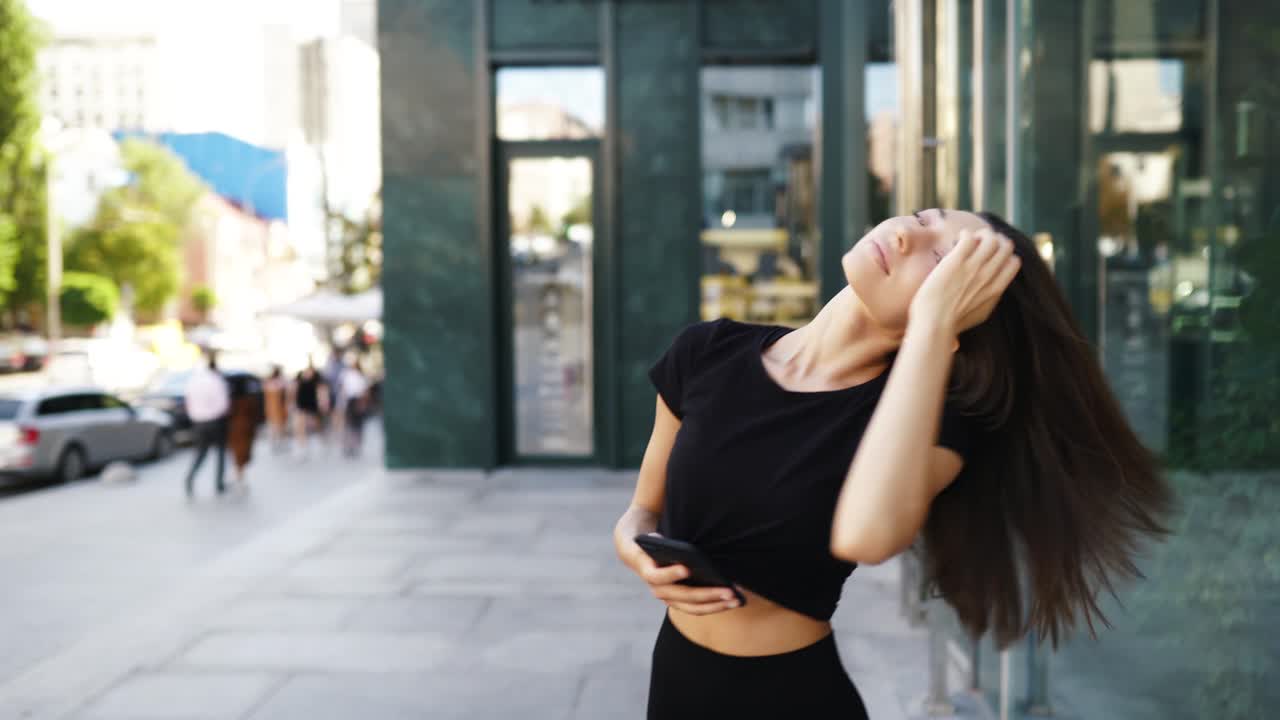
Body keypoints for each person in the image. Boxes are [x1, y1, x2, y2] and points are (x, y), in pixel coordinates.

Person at [615, 210, 1174, 719]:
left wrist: (932, 328)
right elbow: (644, 507)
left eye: (939, 259)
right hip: (675, 681)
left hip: (790, 697)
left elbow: (867, 534)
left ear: (962, 309)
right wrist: (638, 550)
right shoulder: (707, 351)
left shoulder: (924, 423)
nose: (905, 233)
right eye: (923, 217)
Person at [183, 352, 230, 496]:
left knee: (201, 453)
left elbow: (188, 403)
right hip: (215, 420)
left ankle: (190, 477)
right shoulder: (216, 380)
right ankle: (219, 484)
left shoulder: (192, 381)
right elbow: (224, 404)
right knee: (221, 452)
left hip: (198, 422)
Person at [226, 373, 262, 487]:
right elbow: (256, 415)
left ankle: (239, 475)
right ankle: (240, 476)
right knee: (242, 454)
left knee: (237, 454)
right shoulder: (249, 399)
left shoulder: (230, 400)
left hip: (235, 430)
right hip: (246, 429)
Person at [291, 361, 328, 459]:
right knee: (300, 426)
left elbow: (321, 390)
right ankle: (302, 447)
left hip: (312, 405)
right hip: (302, 404)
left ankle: (318, 442)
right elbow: (294, 390)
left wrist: (323, 402)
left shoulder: (317, 379)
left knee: (316, 425)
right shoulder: (299, 378)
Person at [337, 356, 370, 457]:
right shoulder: (346, 375)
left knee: (357, 425)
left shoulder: (361, 376)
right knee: (349, 425)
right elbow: (343, 389)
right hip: (349, 401)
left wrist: (362, 403)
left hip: (357, 400)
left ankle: (356, 445)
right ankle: (348, 446)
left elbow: (364, 391)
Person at [262, 365, 289, 454]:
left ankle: (276, 442)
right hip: (276, 407)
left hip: (274, 407)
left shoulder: (270, 383)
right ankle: (277, 442)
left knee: (275, 426)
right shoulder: (278, 383)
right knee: (277, 426)